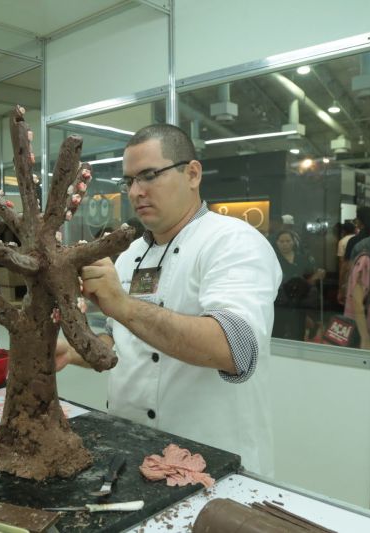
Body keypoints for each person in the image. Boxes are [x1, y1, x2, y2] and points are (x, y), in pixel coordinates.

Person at [55, 124, 281, 476]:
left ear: (192, 174)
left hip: (212, 460)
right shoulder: (131, 254)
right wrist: (75, 351)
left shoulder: (233, 242)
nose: (135, 191)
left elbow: (235, 349)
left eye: (149, 176)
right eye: (128, 181)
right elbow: (123, 341)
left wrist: (125, 305)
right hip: (132, 449)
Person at [273, 230, 325, 341]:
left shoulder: (302, 258)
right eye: (281, 241)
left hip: (300, 304)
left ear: (293, 242)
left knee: (298, 334)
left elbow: (311, 279)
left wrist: (317, 275)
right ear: (277, 243)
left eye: (288, 241)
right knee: (278, 332)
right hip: (280, 303)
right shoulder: (273, 259)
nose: (285, 244)